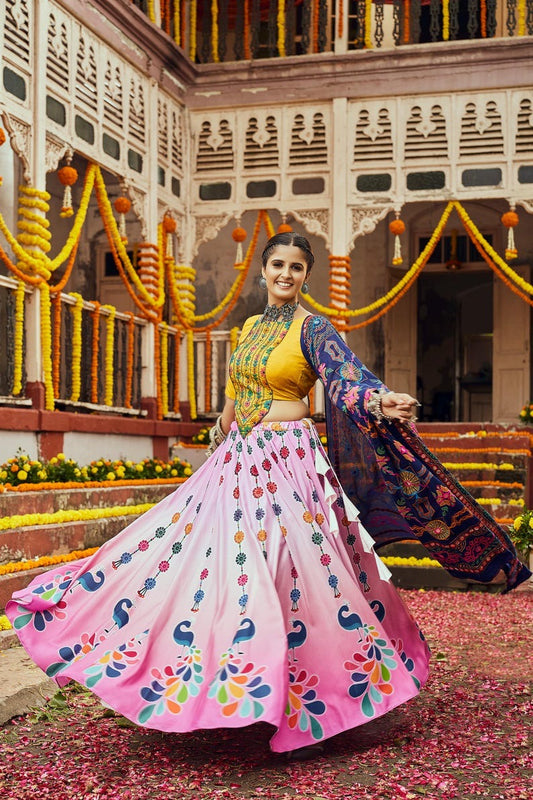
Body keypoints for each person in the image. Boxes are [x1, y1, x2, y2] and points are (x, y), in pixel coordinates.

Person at [6, 232, 530, 760]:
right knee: (212, 564)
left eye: (296, 267)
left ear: (306, 275)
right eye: (278, 264)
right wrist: (219, 433)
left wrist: (379, 401)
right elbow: (237, 391)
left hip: (290, 461)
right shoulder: (251, 327)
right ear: (263, 270)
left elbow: (344, 379)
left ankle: (313, 698)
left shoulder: (313, 329)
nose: (285, 274)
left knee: (294, 571)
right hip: (238, 459)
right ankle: (230, 681)